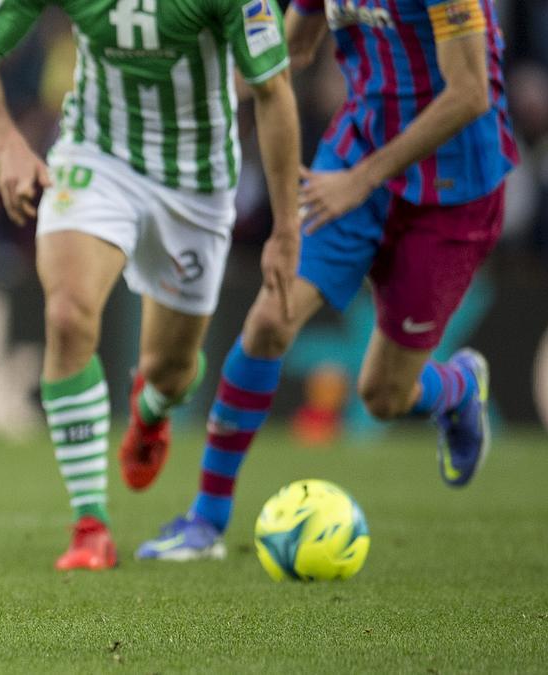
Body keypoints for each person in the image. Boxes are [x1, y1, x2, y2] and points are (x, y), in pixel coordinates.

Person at [154, 0, 517, 561]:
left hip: (451, 188)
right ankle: (206, 520)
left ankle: (459, 388)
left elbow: (470, 92)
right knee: (271, 320)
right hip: (355, 154)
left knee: (383, 395)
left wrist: (361, 180)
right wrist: (189, 94)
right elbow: (292, 49)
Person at [0, 0, 302, 570]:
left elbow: (274, 89)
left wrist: (286, 230)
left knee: (174, 371)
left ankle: (152, 408)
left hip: (195, 181)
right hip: (97, 158)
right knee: (68, 315)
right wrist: (9, 145)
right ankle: (90, 525)